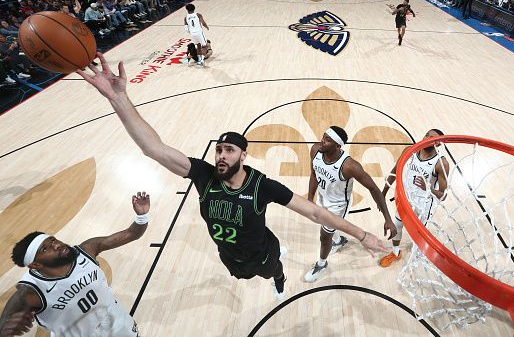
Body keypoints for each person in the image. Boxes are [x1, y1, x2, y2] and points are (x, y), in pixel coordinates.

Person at [75, 54, 387, 301]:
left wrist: (362, 234)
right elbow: (153, 148)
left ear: (242, 156)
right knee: (240, 273)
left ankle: (280, 277)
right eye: (219, 149)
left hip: (262, 252)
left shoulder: (262, 186)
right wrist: (118, 98)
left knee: (273, 270)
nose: (222, 155)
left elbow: (317, 212)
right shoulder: (203, 174)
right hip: (228, 254)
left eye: (230, 150)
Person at [0, 192, 151, 336]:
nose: (56, 245)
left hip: (117, 323)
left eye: (53, 240)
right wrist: (5, 328)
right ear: (35, 265)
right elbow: (6, 322)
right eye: (45, 249)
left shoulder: (87, 250)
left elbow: (132, 234)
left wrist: (142, 216)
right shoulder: (32, 291)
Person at [304, 127, 397, 282]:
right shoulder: (315, 150)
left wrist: (387, 218)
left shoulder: (349, 166)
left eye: (327, 140)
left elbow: (373, 188)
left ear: (337, 146)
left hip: (338, 205)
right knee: (326, 228)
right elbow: (314, 174)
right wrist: (310, 198)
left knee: (324, 236)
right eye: (323, 136)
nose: (322, 141)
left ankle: (321, 264)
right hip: (323, 196)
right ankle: (340, 240)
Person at [379, 129, 450, 268]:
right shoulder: (410, 150)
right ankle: (395, 252)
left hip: (423, 204)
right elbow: (395, 171)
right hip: (406, 198)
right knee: (397, 225)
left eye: (433, 138)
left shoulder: (441, 163)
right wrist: (383, 192)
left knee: (419, 234)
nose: (427, 138)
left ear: (439, 144)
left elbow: (444, 195)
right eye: (427, 134)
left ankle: (419, 251)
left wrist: (428, 188)